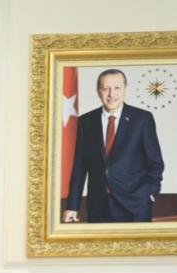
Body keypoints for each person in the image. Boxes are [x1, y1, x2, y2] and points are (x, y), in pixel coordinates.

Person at [63, 68, 165, 223]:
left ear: (125, 90)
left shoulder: (142, 119)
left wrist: (150, 193)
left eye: (117, 88)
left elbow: (155, 163)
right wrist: (72, 206)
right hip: (98, 205)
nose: (111, 94)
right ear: (98, 91)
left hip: (135, 204)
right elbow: (80, 167)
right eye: (106, 89)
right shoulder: (86, 121)